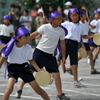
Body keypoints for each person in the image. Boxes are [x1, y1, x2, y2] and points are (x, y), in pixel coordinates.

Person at [15, 11, 70, 100]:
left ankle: (60, 94)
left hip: (50, 55)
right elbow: (33, 35)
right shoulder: (45, 27)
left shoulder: (61, 31)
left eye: (61, 18)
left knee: (56, 74)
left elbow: (63, 44)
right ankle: (19, 89)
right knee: (30, 71)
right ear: (52, 20)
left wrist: (63, 57)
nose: (61, 20)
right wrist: (23, 42)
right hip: (39, 52)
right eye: (58, 18)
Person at [0, 26, 50, 100]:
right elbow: (3, 58)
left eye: (28, 38)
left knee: (38, 90)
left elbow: (31, 60)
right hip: (13, 69)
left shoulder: (28, 48)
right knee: (9, 89)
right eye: (25, 38)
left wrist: (38, 69)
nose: (28, 40)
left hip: (24, 68)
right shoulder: (10, 46)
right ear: (18, 38)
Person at [59, 8, 94, 87]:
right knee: (59, 60)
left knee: (74, 64)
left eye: (76, 15)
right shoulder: (66, 24)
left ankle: (76, 81)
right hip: (66, 43)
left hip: (75, 44)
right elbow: (57, 28)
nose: (75, 17)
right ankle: (52, 74)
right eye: (73, 15)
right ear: (70, 16)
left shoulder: (81, 26)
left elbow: (84, 36)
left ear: (79, 16)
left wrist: (93, 36)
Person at [78, 9, 99, 74]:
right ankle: (70, 67)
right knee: (81, 56)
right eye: (84, 15)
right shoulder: (79, 24)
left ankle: (92, 69)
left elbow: (88, 33)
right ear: (81, 16)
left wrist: (95, 35)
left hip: (86, 42)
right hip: (81, 42)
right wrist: (92, 36)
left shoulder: (86, 23)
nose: (86, 16)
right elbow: (83, 36)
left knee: (90, 54)